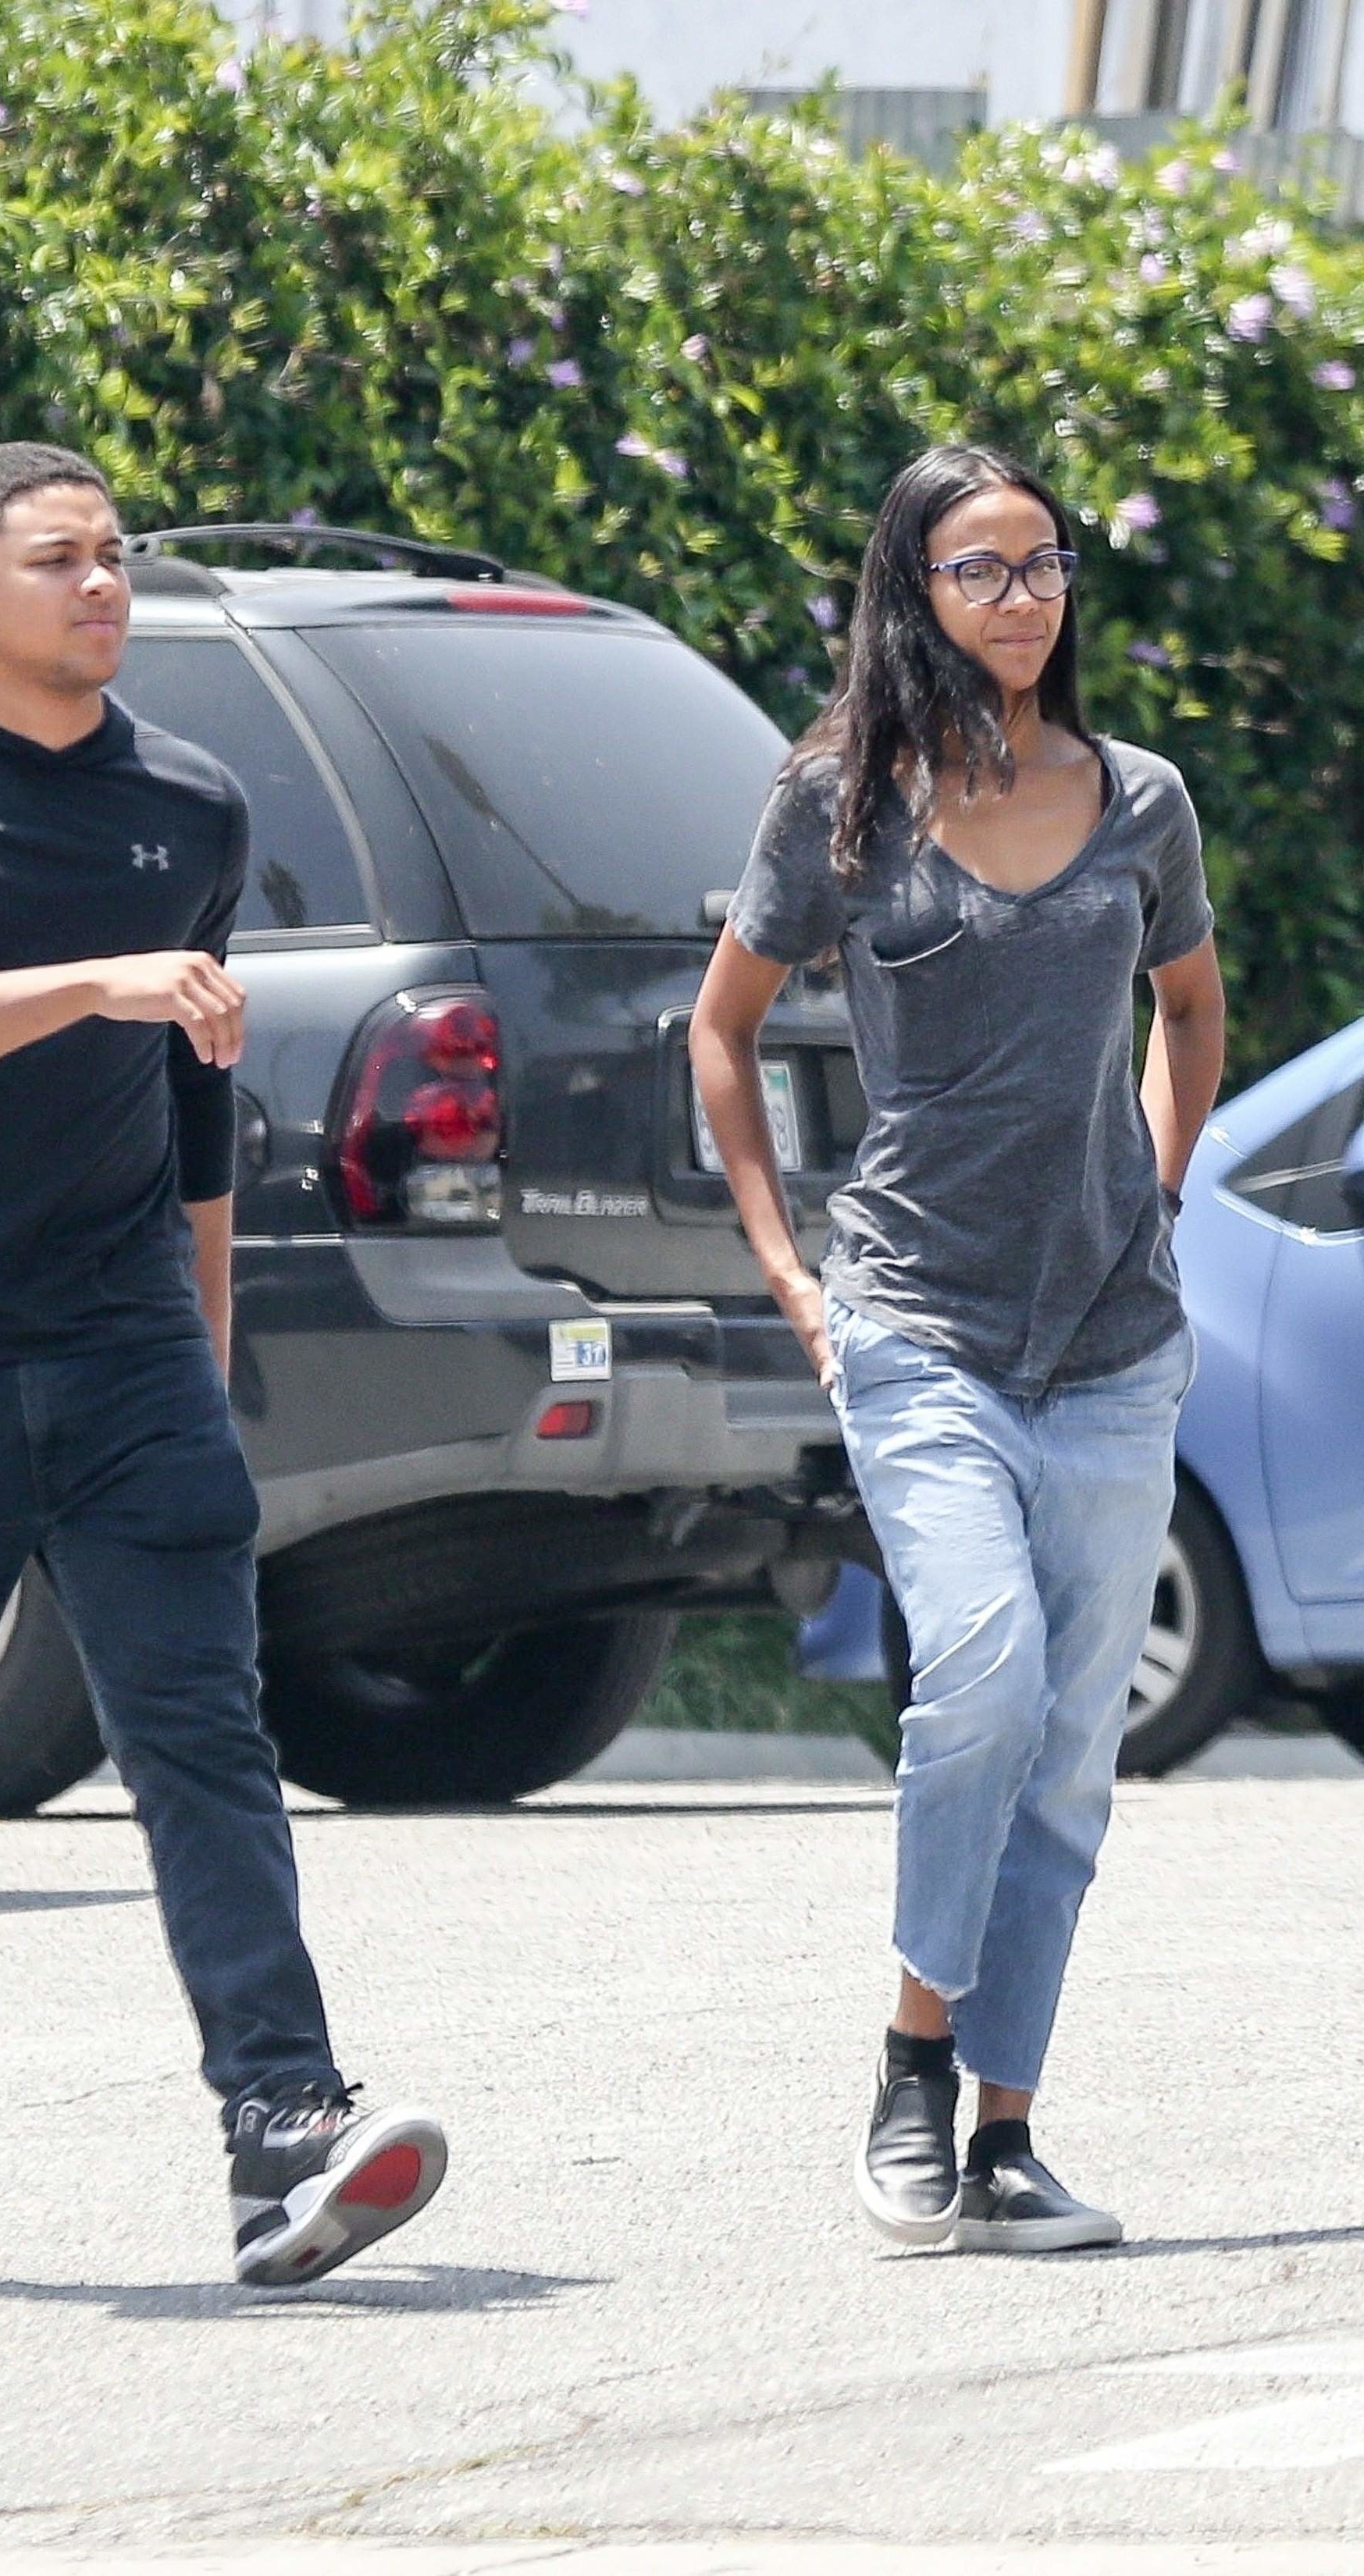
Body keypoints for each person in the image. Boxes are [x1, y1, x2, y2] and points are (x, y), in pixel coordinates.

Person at [0, 441, 447, 2293]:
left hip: (128, 1349)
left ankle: (281, 2130)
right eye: (57, 558)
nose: (100, 586)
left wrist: (198, 1350)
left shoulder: (187, 807)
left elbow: (196, 1101)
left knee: (203, 1737)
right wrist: (91, 981)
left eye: (115, 555)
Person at [690, 444, 1225, 2253]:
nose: (1021, 597)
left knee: (1070, 1751)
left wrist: (1152, 1187)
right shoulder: (836, 804)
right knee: (981, 1679)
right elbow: (720, 1032)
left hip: (1112, 1340)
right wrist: (790, 1277)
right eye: (979, 568)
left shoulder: (1137, 800)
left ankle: (1002, 2137)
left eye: (1043, 562)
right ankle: (912, 2060)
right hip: (914, 1319)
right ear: (909, 593)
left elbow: (1188, 1010)